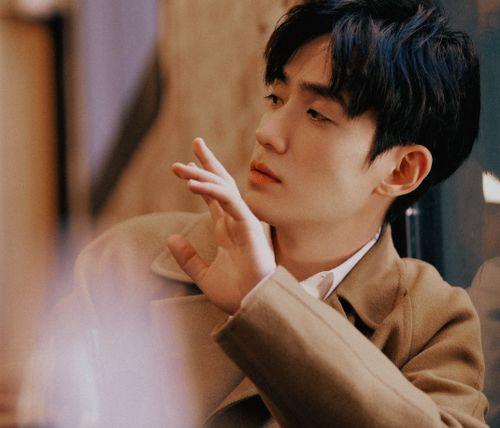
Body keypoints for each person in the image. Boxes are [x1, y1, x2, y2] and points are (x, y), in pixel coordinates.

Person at [4, 0, 488, 426]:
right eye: (276, 98)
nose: (268, 132)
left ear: (402, 170)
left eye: (317, 114)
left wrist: (263, 299)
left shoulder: (432, 320)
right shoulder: (132, 256)